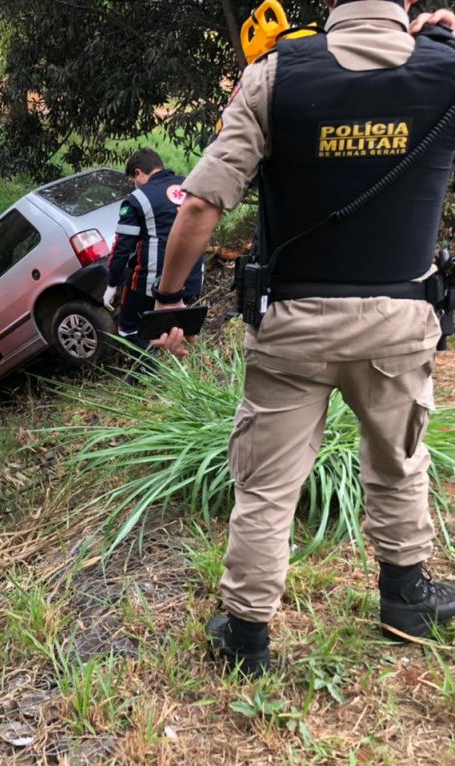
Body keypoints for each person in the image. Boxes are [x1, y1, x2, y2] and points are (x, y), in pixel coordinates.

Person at [150, 0, 455, 678]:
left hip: (293, 329)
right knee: (400, 461)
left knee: (267, 486)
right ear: (405, 2)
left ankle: (247, 637)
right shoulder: (446, 68)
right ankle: (406, 599)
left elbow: (201, 204)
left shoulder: (277, 72)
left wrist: (171, 300)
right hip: (399, 324)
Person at [104, 148, 204, 352]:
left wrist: (112, 284)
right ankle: (170, 349)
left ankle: (149, 370)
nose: (135, 183)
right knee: (169, 322)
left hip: (154, 285)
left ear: (139, 173)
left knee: (127, 327)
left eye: (134, 178)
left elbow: (122, 248)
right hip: (194, 278)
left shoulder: (137, 199)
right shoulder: (189, 184)